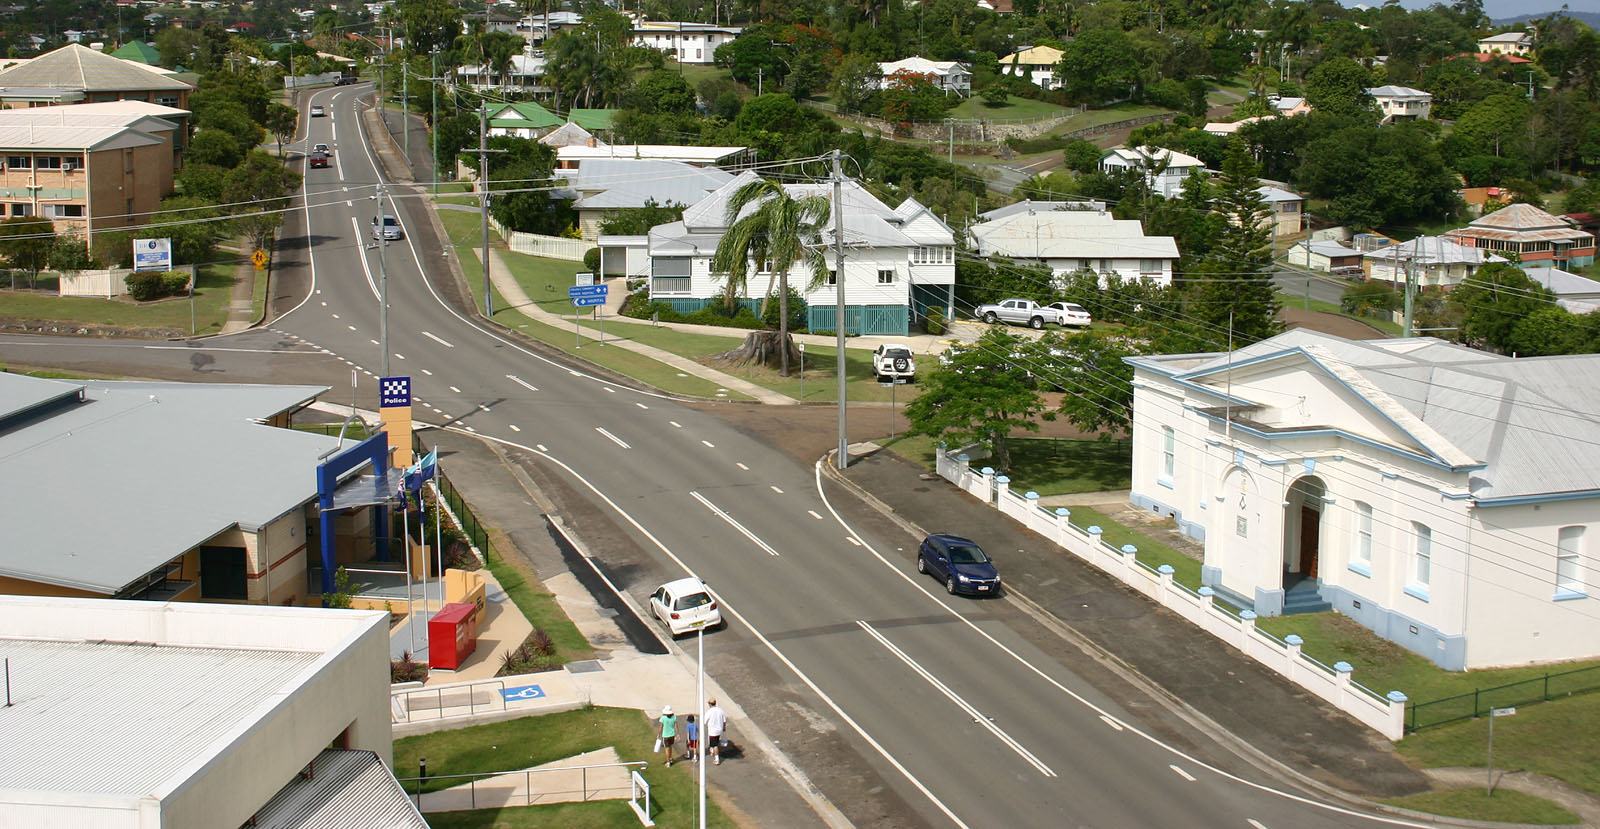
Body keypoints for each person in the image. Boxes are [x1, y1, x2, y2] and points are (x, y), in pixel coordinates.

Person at [704, 698, 727, 765]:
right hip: (719, 729)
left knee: (714, 745)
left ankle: (717, 758)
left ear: (710, 704)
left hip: (712, 730)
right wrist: (724, 728)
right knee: (715, 741)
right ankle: (712, 751)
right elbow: (724, 720)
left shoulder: (709, 711)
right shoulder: (720, 710)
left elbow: (705, 721)